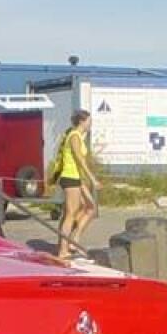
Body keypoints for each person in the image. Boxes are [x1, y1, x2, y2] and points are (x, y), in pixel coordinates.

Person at [52, 110, 101, 259]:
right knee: (70, 215)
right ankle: (63, 250)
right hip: (70, 178)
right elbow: (80, 159)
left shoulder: (78, 136)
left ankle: (74, 240)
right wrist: (92, 179)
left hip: (77, 178)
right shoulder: (74, 136)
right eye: (89, 121)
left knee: (91, 208)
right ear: (82, 121)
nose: (90, 124)